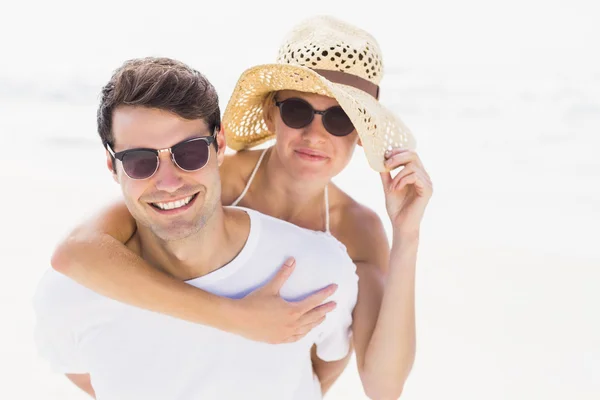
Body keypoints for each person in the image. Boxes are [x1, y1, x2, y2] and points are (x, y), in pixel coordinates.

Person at [50, 15, 432, 399]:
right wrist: (238, 320)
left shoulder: (358, 231)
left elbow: (383, 387)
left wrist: (407, 235)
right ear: (270, 113)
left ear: (362, 133)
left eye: (340, 118)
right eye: (297, 111)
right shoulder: (201, 179)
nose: (315, 135)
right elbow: (77, 252)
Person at [33, 57, 359, 400]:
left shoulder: (317, 270)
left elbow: (332, 365)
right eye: (140, 161)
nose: (169, 182)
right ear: (112, 167)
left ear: (219, 147)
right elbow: (84, 375)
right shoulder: (68, 296)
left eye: (188, 153)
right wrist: (235, 319)